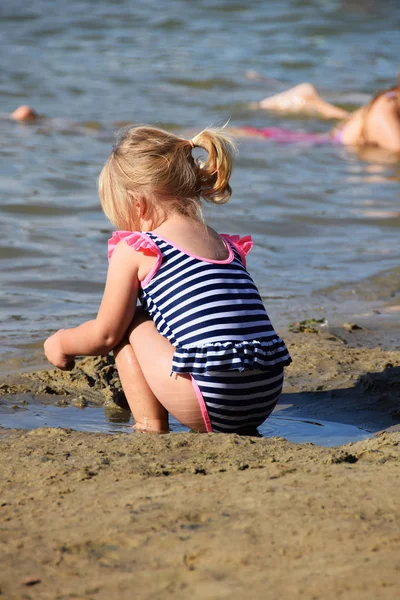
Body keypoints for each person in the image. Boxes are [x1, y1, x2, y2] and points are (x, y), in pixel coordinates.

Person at [44, 126, 291, 434]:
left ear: (137, 204)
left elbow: (105, 335)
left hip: (212, 399)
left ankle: (150, 425)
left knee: (129, 323)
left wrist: (62, 342)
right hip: (264, 395)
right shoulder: (225, 244)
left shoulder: (139, 247)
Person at [246, 81, 400, 153]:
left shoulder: (390, 102)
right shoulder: (386, 107)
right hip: (328, 144)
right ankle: (311, 101)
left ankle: (313, 102)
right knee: (248, 135)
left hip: (338, 139)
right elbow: (396, 151)